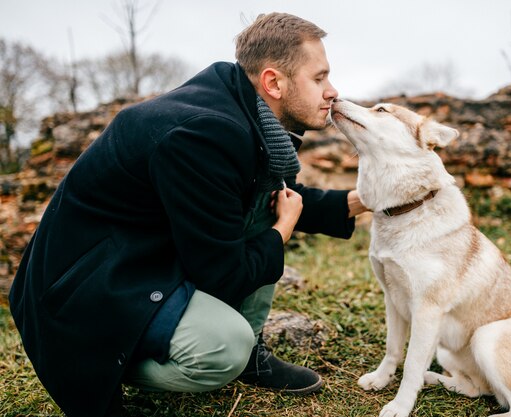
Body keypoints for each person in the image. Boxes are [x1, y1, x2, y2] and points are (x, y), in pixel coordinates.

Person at [9, 12, 368, 417]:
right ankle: (108, 363)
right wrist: (283, 228)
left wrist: (368, 198)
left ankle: (246, 353)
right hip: (86, 295)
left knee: (263, 210)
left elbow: (277, 197)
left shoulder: (242, 112)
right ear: (273, 82)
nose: (332, 91)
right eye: (319, 78)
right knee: (224, 348)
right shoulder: (204, 135)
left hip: (139, 258)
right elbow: (227, 272)